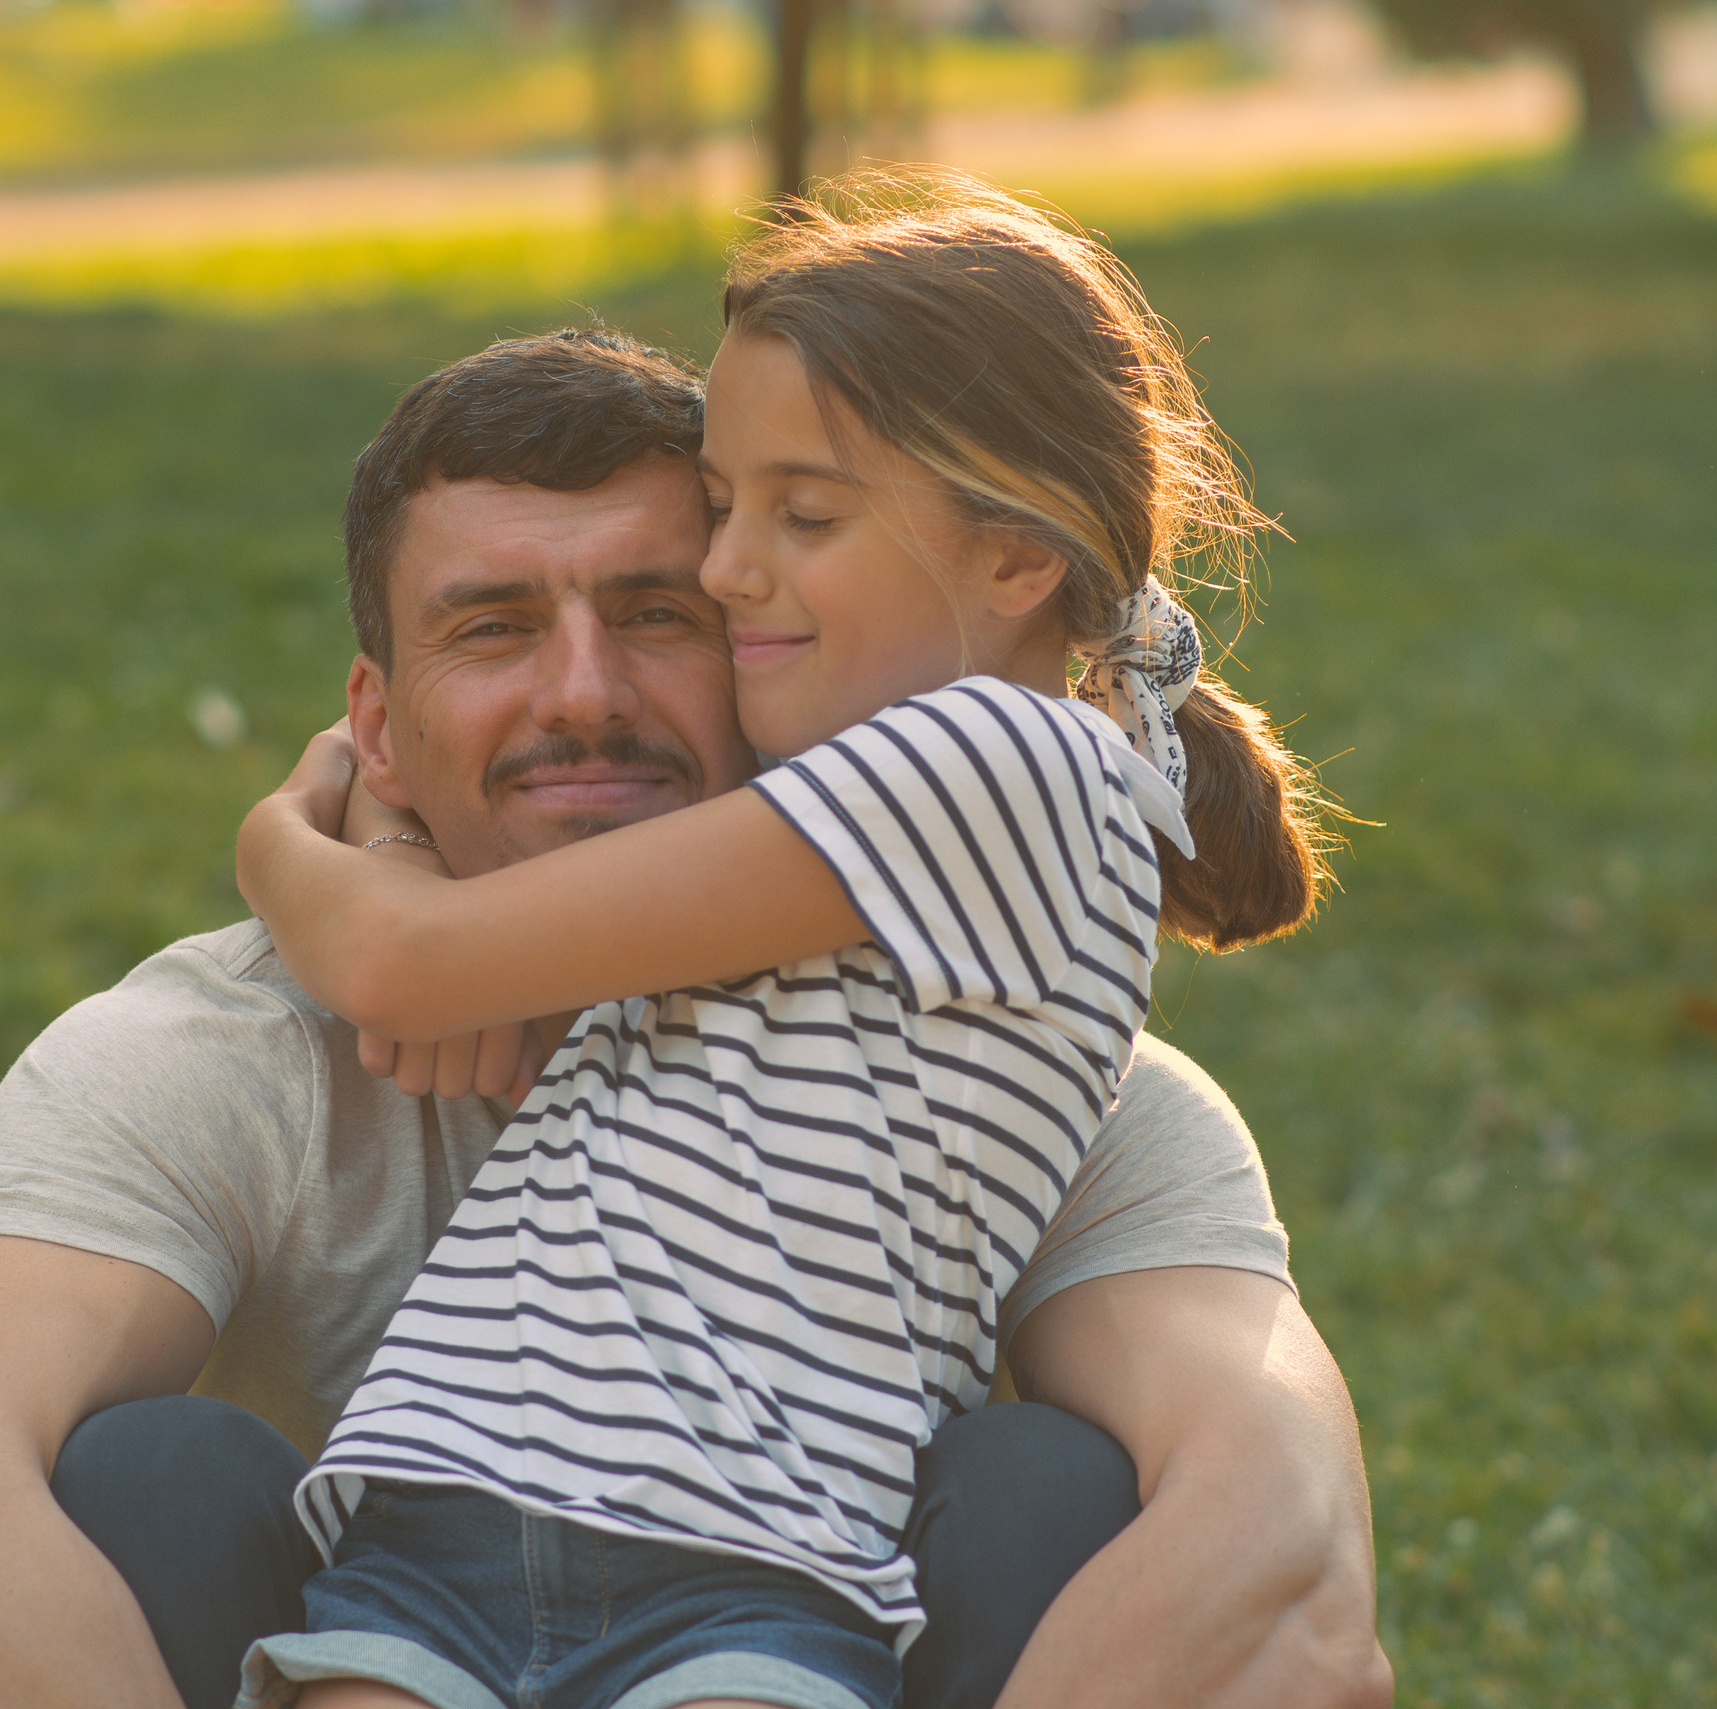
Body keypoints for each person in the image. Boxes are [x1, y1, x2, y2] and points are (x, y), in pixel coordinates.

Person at [0, 323, 1391, 1709]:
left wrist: (301, 849)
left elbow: (1284, 1582)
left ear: (782, 653)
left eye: (657, 614)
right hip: (370, 1640)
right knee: (141, 1480)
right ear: (376, 728)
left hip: (779, 1648)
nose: (583, 693)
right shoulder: (210, 1059)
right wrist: (371, 891)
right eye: (493, 628)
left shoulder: (1046, 1081)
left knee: (1051, 1493)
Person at [226, 174, 1375, 1709]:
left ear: (1018, 558)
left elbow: (398, 966)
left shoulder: (998, 761)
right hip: (444, 1515)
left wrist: (288, 830)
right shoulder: (878, 772)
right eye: (727, 502)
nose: (722, 569)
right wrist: (395, 832)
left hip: (747, 1567)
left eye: (805, 514)